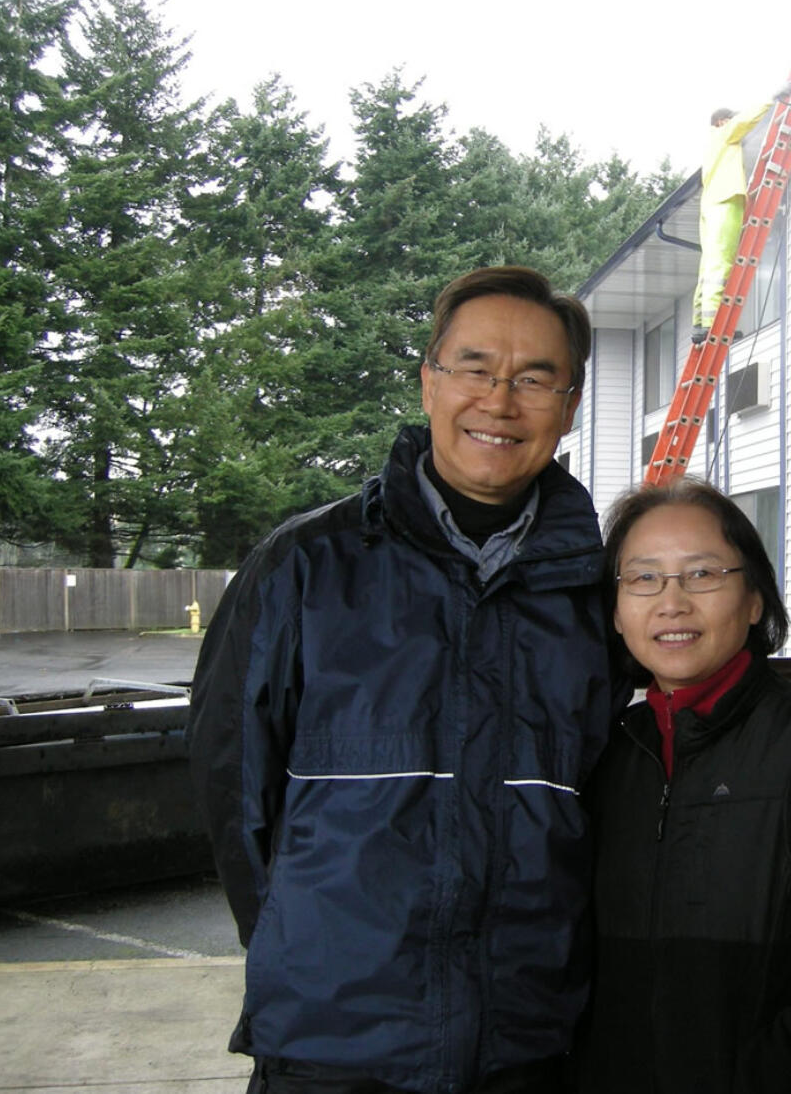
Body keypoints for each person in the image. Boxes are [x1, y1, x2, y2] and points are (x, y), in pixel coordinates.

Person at [187, 266, 616, 1094]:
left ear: (569, 406)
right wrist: (300, 947)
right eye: (475, 368)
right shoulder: (304, 566)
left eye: (535, 379)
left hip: (527, 1045)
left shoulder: (596, 591)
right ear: (428, 381)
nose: (499, 400)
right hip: (331, 1044)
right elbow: (230, 785)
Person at [579, 479, 791, 1093]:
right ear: (616, 609)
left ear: (756, 599)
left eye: (703, 574)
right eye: (643, 578)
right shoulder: (608, 752)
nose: (672, 602)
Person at [693, 103, 770, 336]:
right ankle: (714, 326)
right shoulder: (722, 134)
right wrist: (772, 99)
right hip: (726, 199)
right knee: (722, 262)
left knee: (709, 265)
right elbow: (743, 122)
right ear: (722, 122)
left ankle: (700, 323)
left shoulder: (712, 147)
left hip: (711, 203)